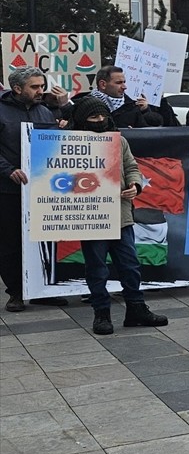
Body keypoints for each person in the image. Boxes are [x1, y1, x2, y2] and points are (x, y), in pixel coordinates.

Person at [69, 97, 170, 334]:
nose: (100, 120)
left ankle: (136, 309)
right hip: (91, 217)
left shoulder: (119, 140)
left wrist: (135, 185)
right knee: (97, 269)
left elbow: (132, 166)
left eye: (103, 116)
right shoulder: (70, 143)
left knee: (130, 265)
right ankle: (101, 313)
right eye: (93, 117)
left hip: (121, 214)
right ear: (82, 120)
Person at [0, 67, 62, 312]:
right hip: (9, 189)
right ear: (17, 88)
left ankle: (41, 290)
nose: (41, 91)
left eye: (42, 86)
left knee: (42, 239)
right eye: (35, 87)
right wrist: (8, 170)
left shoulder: (44, 111)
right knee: (11, 243)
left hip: (41, 188)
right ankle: (16, 292)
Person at [68, 65, 155, 129]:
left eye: (124, 82)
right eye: (118, 83)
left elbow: (147, 135)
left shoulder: (132, 107)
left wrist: (145, 112)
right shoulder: (82, 105)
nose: (124, 87)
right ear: (103, 84)